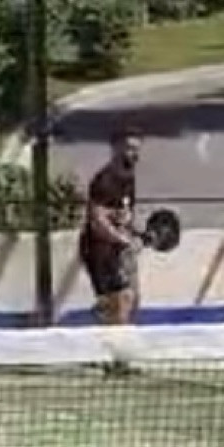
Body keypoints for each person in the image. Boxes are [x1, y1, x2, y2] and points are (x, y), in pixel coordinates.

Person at [79, 127, 142, 324]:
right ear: (115, 148)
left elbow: (125, 211)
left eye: (136, 149)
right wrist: (122, 239)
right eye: (129, 147)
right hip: (99, 251)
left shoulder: (128, 178)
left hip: (117, 249)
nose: (133, 153)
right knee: (121, 299)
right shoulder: (104, 181)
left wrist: (132, 231)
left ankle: (105, 315)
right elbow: (97, 221)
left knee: (131, 298)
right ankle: (110, 331)